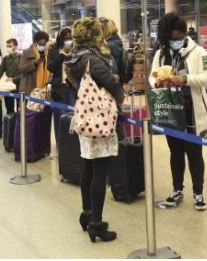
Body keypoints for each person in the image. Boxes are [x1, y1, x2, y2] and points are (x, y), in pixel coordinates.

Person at [148, 13, 207, 211]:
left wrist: (185, 79)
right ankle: (177, 189)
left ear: (185, 34)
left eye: (178, 38)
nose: (175, 42)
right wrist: (158, 81)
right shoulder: (161, 54)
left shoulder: (198, 52)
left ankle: (198, 192)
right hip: (171, 111)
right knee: (175, 151)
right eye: (171, 39)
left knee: (194, 153)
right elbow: (153, 76)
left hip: (191, 110)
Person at [68, 17, 124, 243]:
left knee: (88, 167)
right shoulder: (93, 58)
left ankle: (87, 213)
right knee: (101, 170)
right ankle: (97, 224)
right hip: (100, 121)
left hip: (85, 119)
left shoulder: (75, 57)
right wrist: (119, 92)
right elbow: (110, 82)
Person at [47, 28, 74, 146]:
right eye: (66, 38)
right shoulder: (54, 51)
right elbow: (51, 67)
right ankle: (60, 144)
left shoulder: (76, 50)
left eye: (70, 38)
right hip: (59, 88)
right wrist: (62, 54)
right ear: (61, 39)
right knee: (60, 117)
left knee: (72, 116)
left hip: (72, 88)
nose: (68, 40)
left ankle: (71, 144)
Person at [0, 38, 21, 114]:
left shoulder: (22, 57)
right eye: (7, 46)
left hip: (19, 86)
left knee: (20, 109)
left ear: (16, 46)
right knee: (9, 109)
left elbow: (24, 73)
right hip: (7, 87)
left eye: (10, 46)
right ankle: (10, 124)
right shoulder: (6, 58)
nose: (8, 48)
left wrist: (14, 79)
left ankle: (18, 125)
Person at [18, 31, 51, 96]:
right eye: (40, 44)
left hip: (45, 89)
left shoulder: (49, 53)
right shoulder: (27, 52)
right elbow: (21, 69)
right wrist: (34, 63)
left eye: (44, 44)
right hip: (30, 87)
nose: (42, 46)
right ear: (35, 42)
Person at [99, 18, 127, 83]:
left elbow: (112, 69)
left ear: (103, 30)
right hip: (117, 82)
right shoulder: (116, 42)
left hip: (113, 83)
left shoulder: (109, 46)